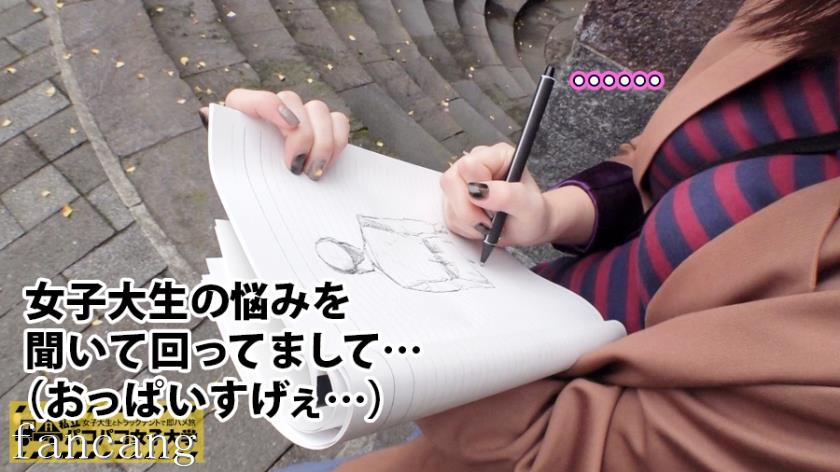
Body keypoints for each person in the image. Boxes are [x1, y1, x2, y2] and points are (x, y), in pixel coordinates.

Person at [209, 0, 840, 469]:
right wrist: (553, 213)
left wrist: (396, 335)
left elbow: (589, 450)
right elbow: (662, 166)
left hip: (529, 411)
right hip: (527, 325)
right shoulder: (807, 17)